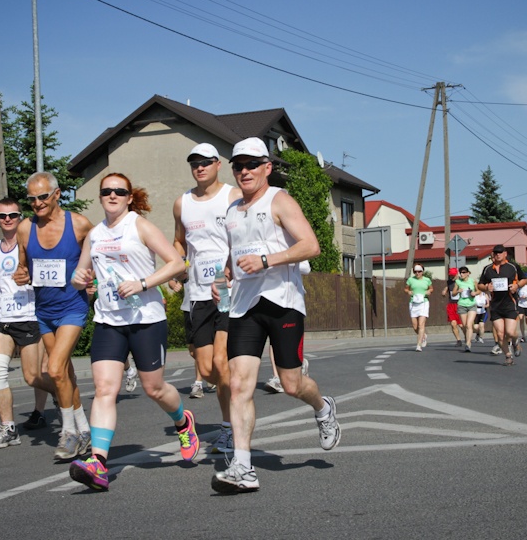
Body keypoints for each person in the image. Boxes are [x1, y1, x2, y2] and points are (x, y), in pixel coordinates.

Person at [210, 137, 339, 494]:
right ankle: (243, 466)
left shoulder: (279, 200)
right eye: (238, 165)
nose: (245, 171)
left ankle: (323, 407)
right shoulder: (232, 211)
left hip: (283, 302)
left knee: (291, 384)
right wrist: (223, 278)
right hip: (244, 307)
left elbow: (311, 245)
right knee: (239, 384)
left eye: (252, 164)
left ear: (267, 167)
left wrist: (267, 260)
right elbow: (235, 258)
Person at [68, 173, 196, 491]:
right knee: (104, 390)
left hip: (146, 319)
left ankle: (183, 422)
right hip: (108, 320)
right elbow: (80, 274)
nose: (112, 195)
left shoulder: (140, 226)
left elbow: (177, 263)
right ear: (101, 196)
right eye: (106, 191)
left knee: (154, 388)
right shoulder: (95, 234)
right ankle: (98, 462)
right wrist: (80, 279)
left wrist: (142, 283)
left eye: (119, 191)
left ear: (128, 197)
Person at [15, 171, 95, 462]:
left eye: (42, 197)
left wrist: (93, 278)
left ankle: (69, 433)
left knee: (55, 369)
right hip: (44, 311)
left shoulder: (79, 224)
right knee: (66, 375)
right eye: (32, 199)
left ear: (57, 194)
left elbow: (100, 254)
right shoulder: (25, 228)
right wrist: (21, 275)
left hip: (72, 307)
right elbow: (23, 268)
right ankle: (84, 431)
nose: (37, 203)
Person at [0, 198, 56, 448]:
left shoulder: (32, 245)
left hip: (29, 317)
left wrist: (30, 278)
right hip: (2, 319)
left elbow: (50, 275)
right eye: (2, 216)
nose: (8, 219)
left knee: (33, 377)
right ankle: (8, 429)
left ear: (20, 217)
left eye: (13, 215)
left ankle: (61, 393)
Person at [170, 143, 240, 453]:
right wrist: (177, 266)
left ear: (217, 165)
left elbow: (244, 235)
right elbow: (179, 242)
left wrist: (232, 268)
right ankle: (236, 400)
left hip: (227, 290)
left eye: (205, 162)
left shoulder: (232, 196)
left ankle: (229, 427)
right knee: (207, 369)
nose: (199, 167)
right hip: (197, 293)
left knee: (221, 363)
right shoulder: (182, 203)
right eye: (194, 163)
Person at [477, 245, 527, 365]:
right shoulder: (488, 269)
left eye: (500, 252)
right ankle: (508, 356)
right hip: (495, 305)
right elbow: (480, 285)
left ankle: (515, 342)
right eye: (496, 253)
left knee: (510, 332)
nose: (498, 255)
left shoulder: (513, 267)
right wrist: (486, 287)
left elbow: (524, 279)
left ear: (505, 254)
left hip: (510, 303)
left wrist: (516, 286)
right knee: (500, 334)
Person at [405, 263, 433, 352]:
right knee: (415, 326)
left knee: (421, 325)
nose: (417, 273)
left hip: (424, 303)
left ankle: (418, 345)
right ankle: (423, 336)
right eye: (415, 271)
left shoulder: (427, 280)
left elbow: (431, 288)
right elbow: (406, 288)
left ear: (422, 271)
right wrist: (408, 292)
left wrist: (429, 291)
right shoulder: (410, 280)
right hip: (413, 303)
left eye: (419, 271)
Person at [452, 266, 477, 352]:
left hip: (472, 304)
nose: (461, 274)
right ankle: (467, 338)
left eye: (463, 272)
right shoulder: (458, 282)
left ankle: (468, 343)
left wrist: (474, 293)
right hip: (462, 305)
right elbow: (453, 293)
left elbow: (479, 291)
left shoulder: (473, 281)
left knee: (469, 325)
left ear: (467, 273)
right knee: (465, 325)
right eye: (460, 273)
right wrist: (458, 291)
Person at [445, 268, 465, 348]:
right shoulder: (449, 282)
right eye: (451, 275)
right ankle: (458, 340)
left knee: (461, 325)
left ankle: (467, 337)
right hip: (451, 304)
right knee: (453, 324)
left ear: (457, 274)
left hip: (460, 304)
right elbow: (447, 288)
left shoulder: (461, 281)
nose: (452, 277)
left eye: (453, 275)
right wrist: (444, 291)